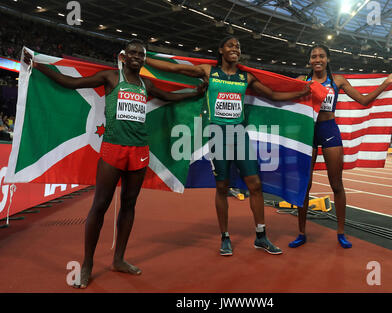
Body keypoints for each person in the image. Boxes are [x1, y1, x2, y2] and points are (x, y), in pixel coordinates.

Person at [23, 39, 206, 288]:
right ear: (123, 57)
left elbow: (168, 97)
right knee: (100, 205)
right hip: (112, 150)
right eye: (132, 53)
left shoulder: (146, 84)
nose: (137, 58)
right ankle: (87, 263)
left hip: (139, 151)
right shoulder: (110, 78)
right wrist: (38, 65)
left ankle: (119, 259)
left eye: (141, 55)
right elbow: (72, 83)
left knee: (129, 205)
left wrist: (195, 93)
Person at [146, 36, 312, 256]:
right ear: (221, 50)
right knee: (222, 188)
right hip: (217, 134)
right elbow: (173, 69)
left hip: (239, 134)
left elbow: (272, 95)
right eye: (231, 45)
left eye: (238, 47)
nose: (235, 48)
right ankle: (225, 237)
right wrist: (144, 60)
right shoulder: (208, 71)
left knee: (254, 184)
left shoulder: (246, 77)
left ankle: (261, 236)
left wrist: (300, 93)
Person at [289, 44, 392, 249]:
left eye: (321, 56)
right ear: (309, 61)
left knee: (337, 184)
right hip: (307, 131)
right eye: (313, 56)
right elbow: (282, 98)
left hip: (329, 130)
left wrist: (386, 83)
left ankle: (341, 233)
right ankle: (301, 232)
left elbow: (364, 100)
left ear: (328, 59)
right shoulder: (301, 81)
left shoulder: (337, 81)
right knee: (304, 184)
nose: (317, 59)